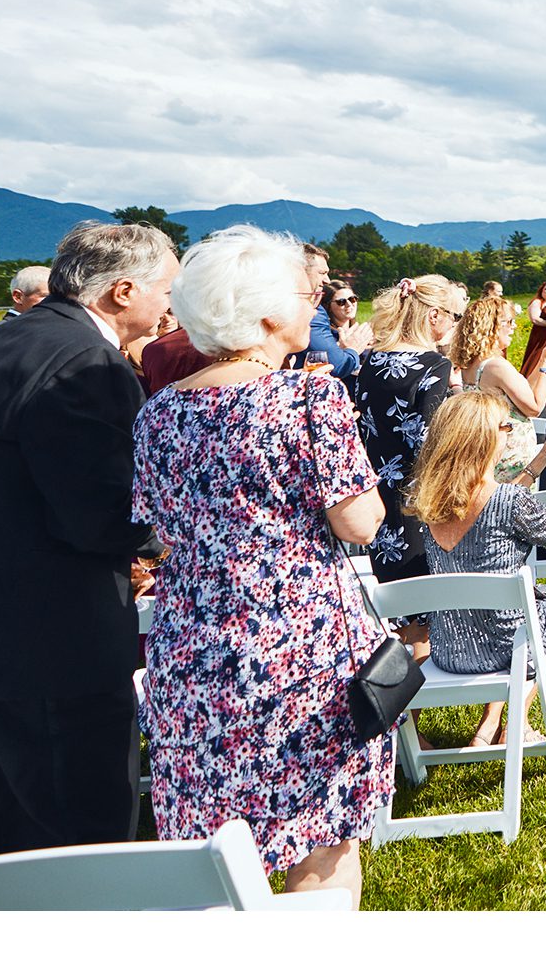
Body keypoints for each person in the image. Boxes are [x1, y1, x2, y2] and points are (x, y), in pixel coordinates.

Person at [129, 226, 392, 904]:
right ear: (268, 314)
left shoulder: (158, 414)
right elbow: (360, 522)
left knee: (213, 862)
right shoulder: (310, 400)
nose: (317, 306)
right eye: (308, 296)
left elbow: (160, 530)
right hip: (300, 652)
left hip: (192, 655)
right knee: (323, 847)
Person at [0, 221, 175, 864]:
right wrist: (168, 537)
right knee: (72, 844)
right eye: (166, 291)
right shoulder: (88, 363)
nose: (169, 308)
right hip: (41, 647)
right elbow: (99, 513)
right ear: (124, 291)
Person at [410, 392, 546, 748]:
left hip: (450, 650)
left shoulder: (431, 502)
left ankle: (487, 726)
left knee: (508, 613)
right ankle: (517, 722)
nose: (511, 431)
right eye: (506, 426)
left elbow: (494, 506)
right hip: (506, 649)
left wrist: (544, 456)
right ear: (484, 438)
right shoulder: (508, 501)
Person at [357, 274, 469, 586]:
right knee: (423, 597)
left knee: (391, 592)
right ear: (434, 315)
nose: (455, 324)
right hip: (416, 497)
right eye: (454, 316)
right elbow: (427, 439)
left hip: (375, 491)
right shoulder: (435, 364)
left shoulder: (372, 359)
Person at [453, 294, 546, 481]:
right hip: (509, 460)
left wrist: (542, 360)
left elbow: (524, 389)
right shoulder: (496, 366)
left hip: (486, 453)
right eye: (509, 321)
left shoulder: (471, 363)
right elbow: (535, 407)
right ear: (492, 326)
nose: (514, 326)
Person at [301, 243, 371, 378]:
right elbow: (337, 366)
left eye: (353, 299)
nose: (327, 280)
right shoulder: (310, 311)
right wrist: (353, 348)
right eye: (322, 273)